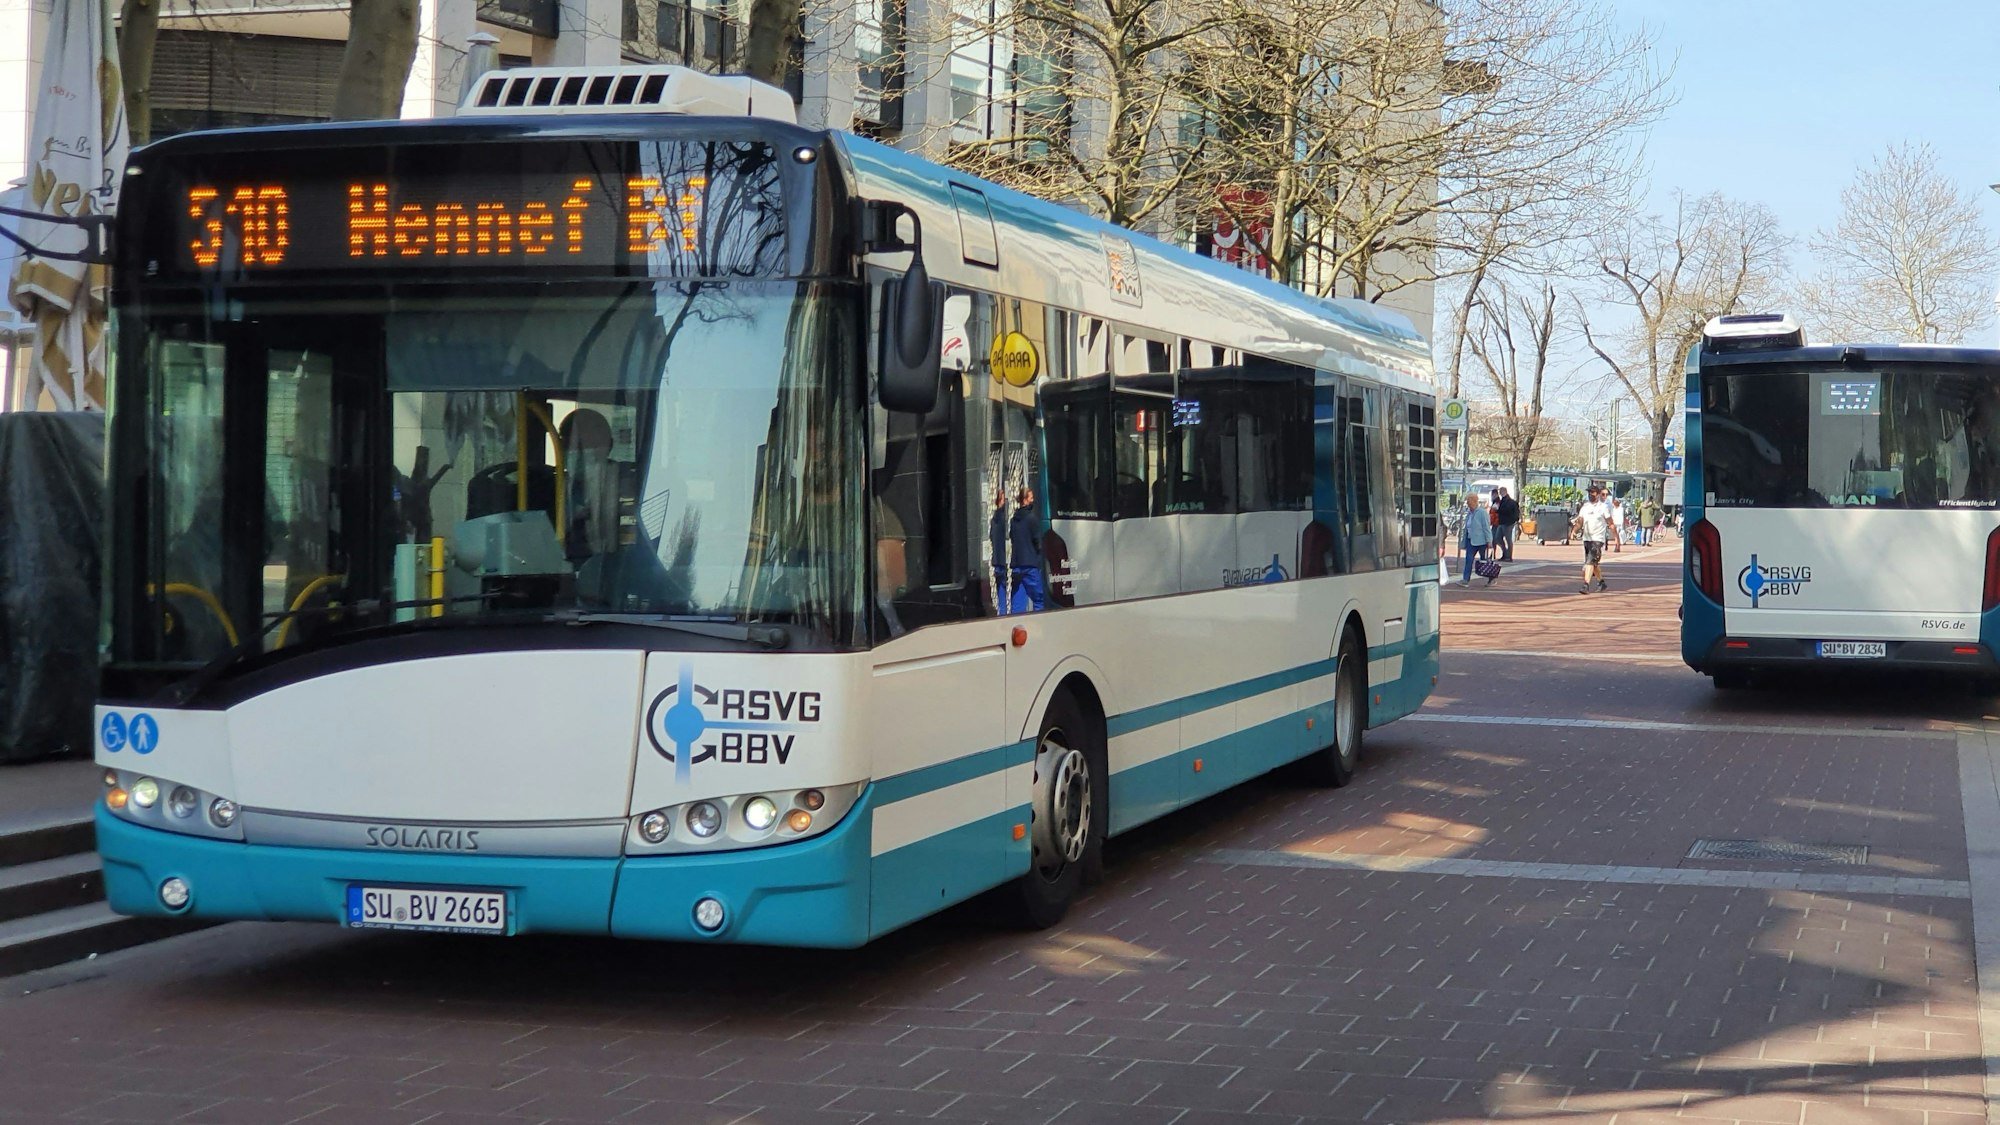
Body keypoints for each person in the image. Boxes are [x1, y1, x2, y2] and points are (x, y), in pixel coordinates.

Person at [991, 486, 1047, 614]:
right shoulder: (1032, 519)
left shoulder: (1013, 520)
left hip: (1017, 565)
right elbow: (1037, 541)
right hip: (1029, 563)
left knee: (1018, 600)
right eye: (1031, 498)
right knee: (1038, 600)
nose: (1033, 500)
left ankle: (1016, 622)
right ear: (1026, 500)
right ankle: (1039, 623)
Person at [1571, 485, 1615, 593]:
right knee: (1593, 563)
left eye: (1593, 492)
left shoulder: (1603, 507)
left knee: (1589, 562)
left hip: (1598, 539)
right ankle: (1601, 582)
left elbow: (1610, 522)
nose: (1591, 494)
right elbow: (1580, 521)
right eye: (1589, 492)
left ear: (1598, 494)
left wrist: (1616, 539)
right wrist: (1574, 531)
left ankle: (1586, 585)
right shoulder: (1585, 507)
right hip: (1587, 538)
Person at [1458, 492, 1493, 587]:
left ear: (1474, 501)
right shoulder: (1469, 513)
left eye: (1469, 502)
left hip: (1481, 541)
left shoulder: (1482, 512)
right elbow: (1467, 528)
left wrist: (1489, 541)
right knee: (1468, 560)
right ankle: (1465, 579)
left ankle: (1491, 578)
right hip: (1471, 540)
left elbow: (1486, 527)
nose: (1467, 504)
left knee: (1484, 561)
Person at [1494, 487, 1521, 562]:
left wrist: (1498, 510)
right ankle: (1506, 554)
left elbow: (1506, 510)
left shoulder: (1509, 501)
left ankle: (1508, 555)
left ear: (1503, 492)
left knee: (1508, 539)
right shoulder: (1504, 500)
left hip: (1508, 522)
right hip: (1503, 522)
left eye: (1500, 492)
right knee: (1498, 538)